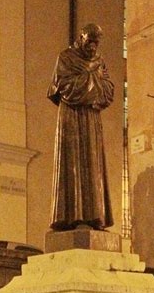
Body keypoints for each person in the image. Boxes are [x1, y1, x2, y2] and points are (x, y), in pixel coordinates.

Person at [47, 23, 114, 231]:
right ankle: (70, 217)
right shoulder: (66, 58)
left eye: (96, 43)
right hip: (72, 118)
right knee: (73, 163)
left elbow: (109, 90)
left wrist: (91, 82)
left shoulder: (99, 61)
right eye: (89, 41)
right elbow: (64, 88)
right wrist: (93, 79)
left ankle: (95, 215)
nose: (93, 47)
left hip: (91, 119)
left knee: (93, 164)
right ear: (81, 37)